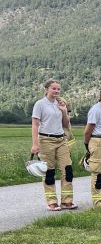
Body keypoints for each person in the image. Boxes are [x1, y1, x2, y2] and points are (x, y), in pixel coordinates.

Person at [31, 79, 74, 211]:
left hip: (61, 140)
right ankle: (52, 202)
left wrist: (64, 111)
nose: (56, 91)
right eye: (53, 88)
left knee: (67, 170)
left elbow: (65, 123)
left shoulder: (60, 103)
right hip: (45, 140)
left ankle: (67, 201)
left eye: (58, 89)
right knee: (49, 172)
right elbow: (35, 124)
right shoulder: (40, 104)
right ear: (46, 89)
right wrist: (35, 144)